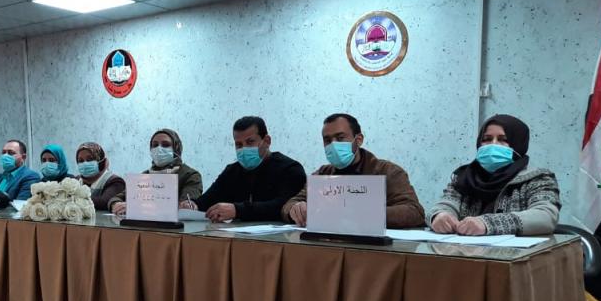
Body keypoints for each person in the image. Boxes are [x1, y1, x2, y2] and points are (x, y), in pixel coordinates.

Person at [282, 114, 424, 228]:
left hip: (374, 248)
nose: (333, 144)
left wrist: (361, 212)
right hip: (328, 244)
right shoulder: (322, 174)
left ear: (358, 140)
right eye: (327, 140)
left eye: (340, 138)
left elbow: (414, 212)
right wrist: (295, 209)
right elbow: (290, 205)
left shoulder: (388, 172)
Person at [428, 114, 560, 236]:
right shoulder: (464, 177)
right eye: (487, 139)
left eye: (503, 140)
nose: (493, 144)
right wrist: (440, 216)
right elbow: (444, 205)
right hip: (462, 251)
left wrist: (487, 224)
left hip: (516, 253)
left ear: (518, 144)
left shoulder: (537, 178)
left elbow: (545, 216)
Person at [180, 116, 306, 222]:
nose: (244, 149)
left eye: (250, 142)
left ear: (267, 141)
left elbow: (283, 206)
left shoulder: (290, 169)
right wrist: (193, 205)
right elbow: (207, 200)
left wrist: (238, 210)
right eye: (238, 144)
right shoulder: (232, 171)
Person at [111, 128, 203, 216]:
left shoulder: (190, 175)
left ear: (176, 148)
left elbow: (186, 206)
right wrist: (116, 204)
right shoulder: (145, 175)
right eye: (155, 145)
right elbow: (117, 198)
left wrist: (188, 205)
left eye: (165, 145)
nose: (159, 149)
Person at [74, 142, 126, 211]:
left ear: (101, 161)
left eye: (90, 159)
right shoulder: (76, 181)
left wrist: (71, 200)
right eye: (81, 161)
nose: (85, 163)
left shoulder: (115, 181)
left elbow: (104, 202)